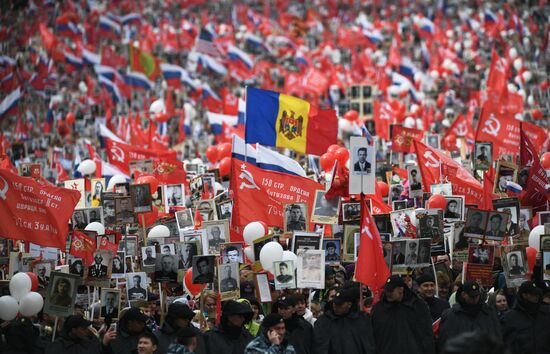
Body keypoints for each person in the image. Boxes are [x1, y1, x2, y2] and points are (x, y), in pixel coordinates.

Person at [371, 275, 434, 354]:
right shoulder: (378, 309)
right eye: (386, 290)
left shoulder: (418, 306)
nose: (387, 294)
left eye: (390, 291)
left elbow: (427, 335)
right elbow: (374, 336)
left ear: (401, 290)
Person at [437, 281, 501, 351]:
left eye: (476, 296)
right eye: (471, 296)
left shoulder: (489, 313)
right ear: (463, 294)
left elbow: (497, 338)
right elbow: (444, 342)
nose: (474, 299)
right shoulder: (450, 315)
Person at [314, 287, 376, 354]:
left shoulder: (362, 320)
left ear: (349, 304)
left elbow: (368, 345)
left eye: (340, 304)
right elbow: (319, 347)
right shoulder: (323, 321)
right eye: (334, 303)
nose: (336, 306)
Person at [501, 281, 550, 354]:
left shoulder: (546, 313)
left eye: (538, 294)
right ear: (525, 295)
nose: (537, 296)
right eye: (534, 294)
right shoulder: (509, 318)